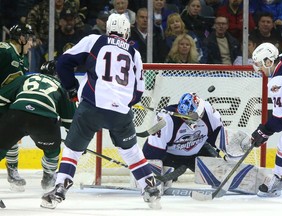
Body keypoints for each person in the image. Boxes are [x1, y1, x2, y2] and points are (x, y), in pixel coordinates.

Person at [40, 13, 161, 210]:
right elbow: (138, 92)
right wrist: (121, 104)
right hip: (121, 114)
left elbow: (63, 62)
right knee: (131, 152)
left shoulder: (94, 40)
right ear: (126, 31)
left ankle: (60, 187)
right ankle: (150, 189)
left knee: (73, 150)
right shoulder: (134, 53)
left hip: (91, 108)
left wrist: (71, 88)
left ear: (108, 28)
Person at [0, 60, 77, 191]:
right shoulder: (62, 86)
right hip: (44, 121)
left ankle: (12, 172)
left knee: (5, 143)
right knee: (52, 151)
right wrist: (76, 142)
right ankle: (48, 177)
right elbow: (70, 121)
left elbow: (2, 98)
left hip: (16, 115)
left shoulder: (26, 78)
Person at [142, 93, 222, 179]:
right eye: (187, 117)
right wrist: (148, 174)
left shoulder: (209, 112)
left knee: (219, 172)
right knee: (160, 181)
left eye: (199, 113)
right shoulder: (166, 120)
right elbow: (152, 152)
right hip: (171, 156)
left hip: (197, 150)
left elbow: (219, 138)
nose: (200, 116)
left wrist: (228, 154)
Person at [251, 42, 282, 197]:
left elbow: (281, 119)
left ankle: (278, 180)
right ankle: (278, 178)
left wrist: (264, 131)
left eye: (260, 65)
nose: (259, 69)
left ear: (269, 61)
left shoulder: (277, 82)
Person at [0, 23, 34, 191]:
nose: (31, 44)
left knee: (11, 136)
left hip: (5, 106)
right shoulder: (5, 50)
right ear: (21, 38)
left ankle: (12, 171)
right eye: (29, 40)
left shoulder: (23, 59)